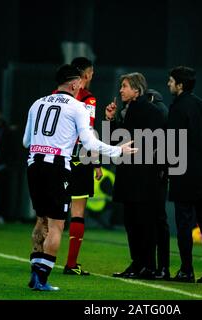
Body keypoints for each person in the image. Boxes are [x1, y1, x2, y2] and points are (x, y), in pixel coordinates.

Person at [23, 64, 137, 291]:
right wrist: (117, 151)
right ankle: (42, 280)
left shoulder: (37, 103)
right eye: (81, 83)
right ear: (74, 83)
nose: (82, 86)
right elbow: (89, 143)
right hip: (57, 167)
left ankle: (35, 275)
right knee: (56, 225)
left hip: (33, 165)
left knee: (41, 219)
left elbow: (26, 141)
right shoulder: (77, 107)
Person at [105, 73, 167, 280]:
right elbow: (112, 142)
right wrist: (110, 120)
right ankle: (139, 263)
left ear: (136, 90)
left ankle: (147, 265)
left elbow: (157, 143)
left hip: (142, 177)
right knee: (132, 222)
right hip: (130, 175)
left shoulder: (151, 111)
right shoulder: (128, 111)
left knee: (143, 223)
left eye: (124, 86)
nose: (121, 90)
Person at [166, 66, 202, 284]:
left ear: (180, 85)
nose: (169, 83)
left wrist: (166, 168)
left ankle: (186, 270)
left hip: (185, 173)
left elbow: (173, 143)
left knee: (184, 223)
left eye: (171, 81)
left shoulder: (178, 108)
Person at [62, 57, 103, 276]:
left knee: (49, 212)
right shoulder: (89, 100)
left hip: (55, 157)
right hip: (79, 159)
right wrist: (96, 162)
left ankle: (39, 258)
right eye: (92, 73)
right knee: (78, 213)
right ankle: (71, 264)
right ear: (86, 75)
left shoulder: (55, 95)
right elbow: (88, 133)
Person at [146, 89, 171, 280]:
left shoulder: (158, 111)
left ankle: (158, 266)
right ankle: (157, 266)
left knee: (157, 221)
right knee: (157, 221)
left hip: (155, 172)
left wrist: (163, 168)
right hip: (158, 172)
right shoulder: (162, 110)